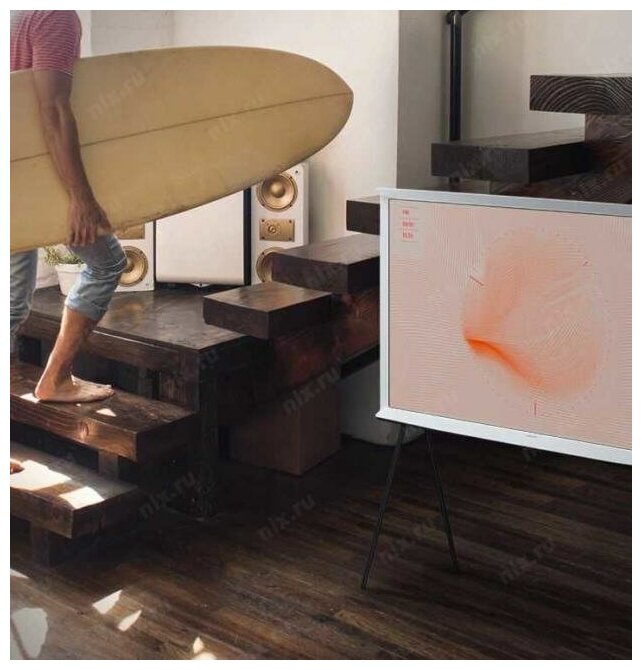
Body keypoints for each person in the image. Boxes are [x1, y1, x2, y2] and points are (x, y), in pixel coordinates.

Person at [10, 11, 127, 472]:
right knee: (107, 261)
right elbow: (54, 110)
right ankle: (55, 378)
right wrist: (81, 196)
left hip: (16, 178)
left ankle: (54, 381)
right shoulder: (53, 15)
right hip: (33, 182)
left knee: (10, 305)